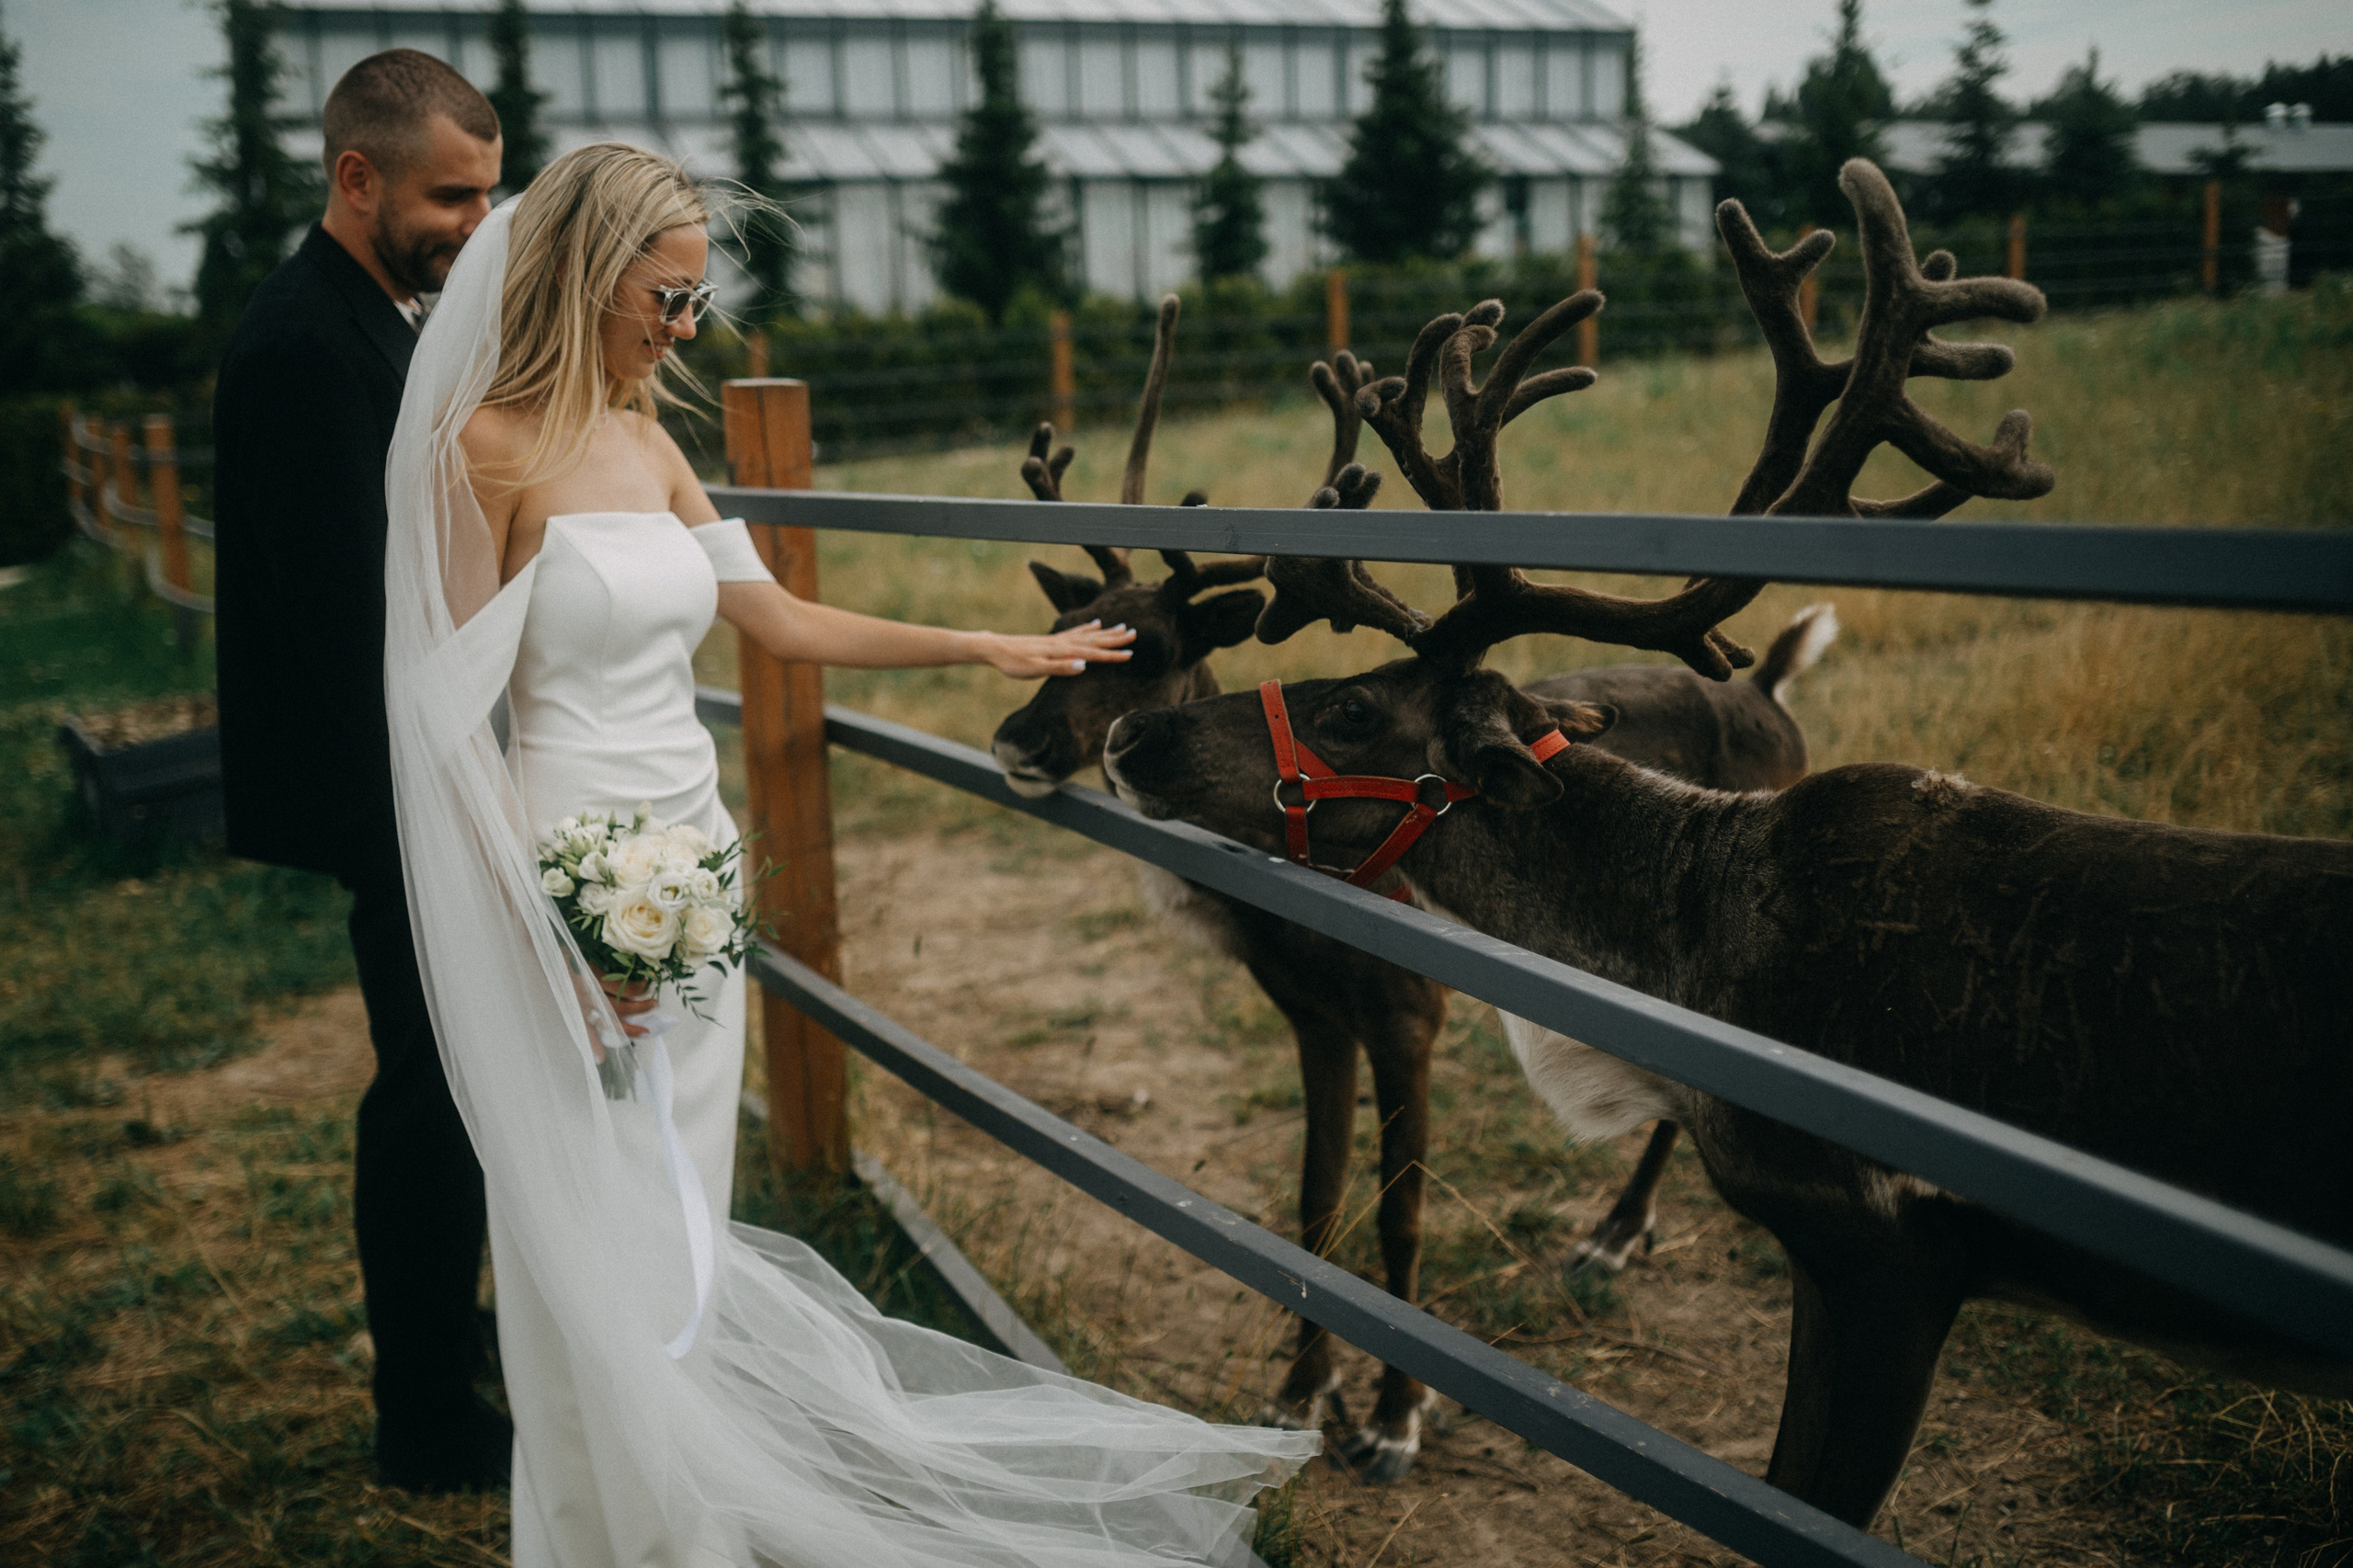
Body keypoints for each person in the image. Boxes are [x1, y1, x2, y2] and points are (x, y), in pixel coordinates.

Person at [382, 140, 1315, 1567]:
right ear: (586, 274)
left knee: (684, 1205)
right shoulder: (484, 453)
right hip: (562, 868)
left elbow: (779, 622)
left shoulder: (649, 440)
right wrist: (547, 936)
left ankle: (681, 1506)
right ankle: (604, 1531)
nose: (684, 329)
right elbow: (455, 732)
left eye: (699, 302)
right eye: (669, 297)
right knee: (589, 1226)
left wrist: (991, 643)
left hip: (687, 861)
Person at [211, 50, 508, 1492]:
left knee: (457, 1085)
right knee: (429, 1094)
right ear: (357, 176)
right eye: (452, 194)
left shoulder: (377, 319)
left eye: (489, 192)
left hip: (422, 767)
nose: (474, 219)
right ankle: (428, 1421)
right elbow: (347, 614)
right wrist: (450, 794)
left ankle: (454, 1357)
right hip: (397, 785)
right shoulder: (304, 348)